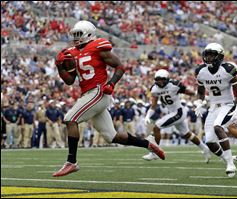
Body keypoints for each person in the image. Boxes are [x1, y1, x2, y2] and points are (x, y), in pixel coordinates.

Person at [52, 20, 165, 177]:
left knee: (70, 119)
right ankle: (148, 143)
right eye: (74, 35)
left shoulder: (97, 47)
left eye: (79, 34)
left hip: (98, 92)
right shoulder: (72, 52)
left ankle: (72, 162)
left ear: (88, 34)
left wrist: (111, 83)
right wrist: (59, 66)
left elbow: (120, 66)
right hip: (88, 94)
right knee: (112, 137)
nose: (75, 38)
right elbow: (70, 80)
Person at [194, 43, 237, 177]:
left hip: (227, 104)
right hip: (213, 108)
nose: (209, 58)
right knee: (210, 141)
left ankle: (230, 164)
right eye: (207, 54)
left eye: (212, 54)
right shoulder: (200, 71)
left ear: (220, 56)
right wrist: (199, 102)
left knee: (218, 127)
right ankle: (225, 158)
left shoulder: (227, 69)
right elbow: (200, 91)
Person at [144, 69, 211, 163]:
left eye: (162, 79)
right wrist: (147, 116)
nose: (160, 81)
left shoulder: (174, 85)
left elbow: (190, 92)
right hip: (173, 113)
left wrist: (203, 97)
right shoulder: (154, 89)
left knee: (157, 127)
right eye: (158, 79)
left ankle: (155, 153)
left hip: (178, 112)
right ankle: (205, 149)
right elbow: (154, 105)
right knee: (187, 134)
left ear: (167, 78)